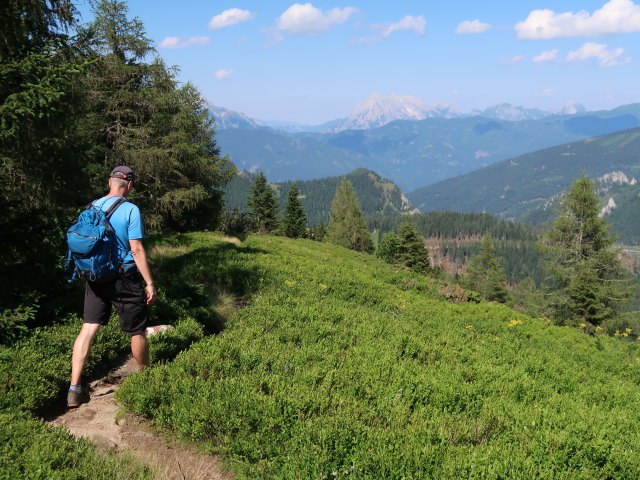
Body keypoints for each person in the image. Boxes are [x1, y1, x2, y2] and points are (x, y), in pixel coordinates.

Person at [67, 166, 157, 408]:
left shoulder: (93, 205)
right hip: (124, 278)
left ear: (110, 182)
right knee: (137, 331)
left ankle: (74, 388)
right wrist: (149, 282)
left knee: (88, 329)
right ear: (129, 185)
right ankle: (145, 378)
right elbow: (136, 249)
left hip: (95, 277)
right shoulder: (130, 209)